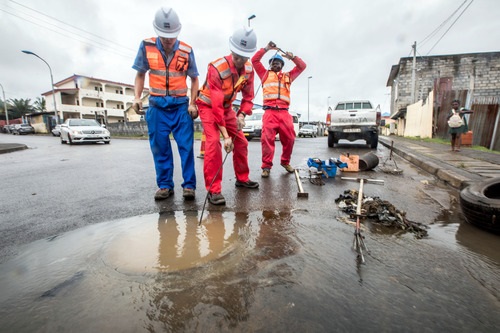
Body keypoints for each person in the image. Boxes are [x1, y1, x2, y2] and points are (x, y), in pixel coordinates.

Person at [132, 7, 199, 201]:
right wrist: (137, 97)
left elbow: (194, 79)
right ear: (157, 32)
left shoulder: (186, 50)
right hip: (157, 107)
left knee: (186, 147)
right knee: (160, 147)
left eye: (172, 36)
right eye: (164, 36)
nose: (169, 40)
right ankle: (164, 185)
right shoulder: (146, 46)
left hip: (180, 107)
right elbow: (140, 74)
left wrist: (193, 103)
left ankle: (189, 186)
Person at [195, 26, 259, 206]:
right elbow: (215, 106)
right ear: (231, 50)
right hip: (208, 106)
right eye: (236, 56)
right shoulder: (217, 68)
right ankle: (213, 190)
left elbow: (248, 97)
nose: (239, 61)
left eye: (243, 57)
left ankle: (242, 178)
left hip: (227, 107)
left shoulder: (248, 70)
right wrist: (226, 136)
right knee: (214, 143)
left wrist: (242, 115)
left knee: (242, 142)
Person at [251, 42, 307, 178]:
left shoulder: (288, 76)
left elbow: (302, 66)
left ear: (282, 65)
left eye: (278, 62)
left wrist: (292, 57)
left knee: (290, 139)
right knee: (266, 140)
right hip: (269, 113)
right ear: (270, 65)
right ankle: (266, 167)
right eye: (273, 62)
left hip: (284, 113)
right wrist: (266, 49)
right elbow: (255, 60)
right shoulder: (264, 75)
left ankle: (285, 162)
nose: (275, 64)